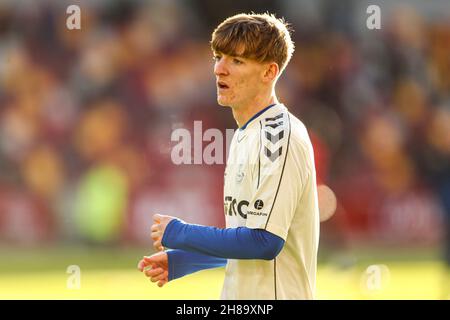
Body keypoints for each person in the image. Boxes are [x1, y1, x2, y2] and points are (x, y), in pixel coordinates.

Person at [138, 12, 320, 300]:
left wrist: (181, 232)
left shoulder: (279, 137)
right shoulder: (246, 134)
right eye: (218, 56)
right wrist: (186, 259)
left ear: (269, 72)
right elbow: (246, 237)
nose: (219, 69)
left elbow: (265, 242)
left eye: (236, 61)